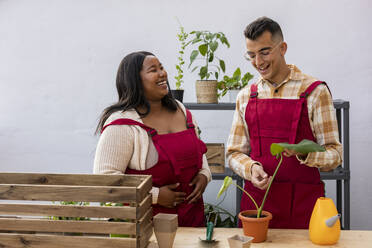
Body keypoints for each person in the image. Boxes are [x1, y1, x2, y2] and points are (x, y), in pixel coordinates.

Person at [226, 17, 343, 229]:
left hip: (304, 209)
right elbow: (233, 153)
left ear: (283, 48)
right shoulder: (246, 96)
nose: (258, 62)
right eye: (251, 55)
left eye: (265, 52)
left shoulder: (315, 92)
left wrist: (305, 153)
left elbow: (335, 154)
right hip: (257, 208)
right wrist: (251, 168)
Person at [94, 51, 211, 227]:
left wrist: (204, 175)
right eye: (153, 70)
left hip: (192, 222)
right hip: (145, 229)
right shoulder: (122, 124)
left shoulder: (181, 110)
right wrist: (155, 195)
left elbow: (198, 151)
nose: (162, 73)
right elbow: (105, 181)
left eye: (162, 67)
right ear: (135, 80)